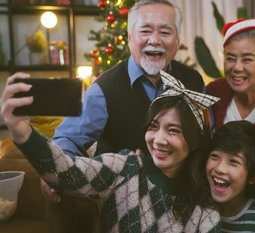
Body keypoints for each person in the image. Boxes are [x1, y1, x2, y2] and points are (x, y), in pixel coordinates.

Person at [0, 71, 223, 233]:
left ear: (194, 141)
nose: (159, 139)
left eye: (173, 130)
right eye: (154, 126)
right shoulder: (124, 168)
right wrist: (21, 131)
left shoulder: (204, 207)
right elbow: (65, 171)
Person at [41, 0, 206, 202]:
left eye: (165, 32)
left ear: (178, 40)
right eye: (145, 31)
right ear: (129, 38)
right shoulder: (104, 89)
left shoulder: (194, 81)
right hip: (123, 204)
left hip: (182, 198)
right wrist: (54, 171)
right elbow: (67, 140)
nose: (155, 40)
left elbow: (203, 139)